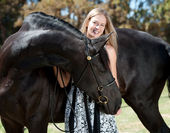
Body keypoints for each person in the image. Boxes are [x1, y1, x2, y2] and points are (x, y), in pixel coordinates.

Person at [57, 8, 120, 132]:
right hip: (76, 105)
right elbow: (63, 82)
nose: (98, 27)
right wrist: (55, 62)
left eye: (102, 25)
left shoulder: (109, 50)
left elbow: (114, 78)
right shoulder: (73, 49)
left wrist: (116, 103)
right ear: (87, 23)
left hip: (101, 102)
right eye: (95, 23)